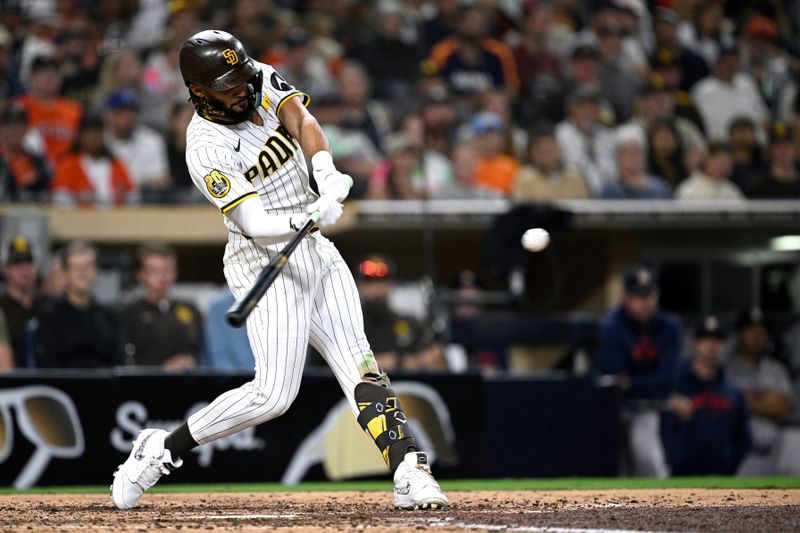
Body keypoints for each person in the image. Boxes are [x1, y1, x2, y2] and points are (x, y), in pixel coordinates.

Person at [111, 30, 447, 512]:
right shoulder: (204, 146)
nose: (243, 90)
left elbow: (301, 117)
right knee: (273, 395)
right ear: (199, 91)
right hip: (261, 258)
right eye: (228, 85)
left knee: (360, 366)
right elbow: (253, 223)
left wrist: (325, 169)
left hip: (312, 247)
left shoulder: (254, 78)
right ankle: (162, 449)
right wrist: (304, 216)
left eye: (243, 78)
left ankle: (409, 468)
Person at [594, 265, 683, 477]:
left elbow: (666, 380)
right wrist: (644, 383)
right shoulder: (610, 326)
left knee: (648, 459)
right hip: (612, 409)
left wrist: (633, 383)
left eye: (649, 295)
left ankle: (659, 509)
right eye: (638, 296)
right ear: (625, 297)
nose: (644, 302)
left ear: (657, 296)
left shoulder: (669, 326)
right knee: (611, 469)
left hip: (649, 408)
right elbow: (615, 381)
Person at [661, 315, 751, 475]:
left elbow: (743, 438)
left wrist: (730, 464)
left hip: (723, 477)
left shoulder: (733, 392)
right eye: (705, 338)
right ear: (695, 343)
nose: (712, 345)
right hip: (680, 477)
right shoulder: (673, 386)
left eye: (717, 339)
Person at [725, 308, 798, 475]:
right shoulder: (726, 371)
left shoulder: (776, 370)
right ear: (739, 334)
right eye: (750, 329)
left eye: (762, 329)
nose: (757, 335)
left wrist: (746, 400)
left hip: (776, 451)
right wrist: (767, 400)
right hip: (742, 454)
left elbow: (784, 409)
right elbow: (727, 407)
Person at [34, 241, 125, 368]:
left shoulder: (109, 316)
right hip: (63, 385)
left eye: (87, 267)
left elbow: (119, 362)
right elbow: (47, 365)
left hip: (104, 385)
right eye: (76, 267)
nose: (82, 273)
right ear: (65, 273)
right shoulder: (50, 316)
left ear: (95, 271)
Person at [119, 243, 201, 370]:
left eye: (168, 269)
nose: (162, 277)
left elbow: (203, 351)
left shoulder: (191, 310)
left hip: (190, 383)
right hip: (147, 384)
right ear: (141, 275)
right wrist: (162, 369)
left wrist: (190, 361)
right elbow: (125, 360)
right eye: (154, 271)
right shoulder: (129, 314)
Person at [50, 112, 137, 207]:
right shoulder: (68, 165)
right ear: (80, 136)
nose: (95, 137)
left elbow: (133, 199)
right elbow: (60, 200)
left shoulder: (117, 164)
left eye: (99, 132)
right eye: (90, 132)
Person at [691, 41, 769, 143]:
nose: (730, 63)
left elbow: (763, 119)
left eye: (734, 59)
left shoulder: (748, 83)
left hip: (752, 148)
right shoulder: (702, 90)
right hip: (718, 150)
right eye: (726, 59)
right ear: (716, 62)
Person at [14, 55, 82, 165]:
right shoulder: (19, 107)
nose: (48, 77)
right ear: (32, 77)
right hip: (31, 170)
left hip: (66, 172)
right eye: (42, 73)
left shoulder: (75, 110)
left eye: (53, 72)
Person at [104, 89, 171, 194]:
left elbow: (159, 180)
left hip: (145, 204)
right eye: (122, 111)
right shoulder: (101, 142)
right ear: (110, 115)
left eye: (132, 110)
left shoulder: (152, 140)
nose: (128, 116)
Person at [555, 85, 616, 196]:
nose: (588, 113)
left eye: (592, 108)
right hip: (575, 198)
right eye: (583, 108)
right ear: (571, 109)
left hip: (608, 200)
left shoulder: (608, 136)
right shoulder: (559, 136)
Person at [0, 235, 49, 369]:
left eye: (29, 262)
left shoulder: (49, 305)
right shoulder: (2, 307)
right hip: (10, 384)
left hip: (49, 381)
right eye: (17, 264)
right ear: (5, 270)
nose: (24, 269)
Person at [511, 122, 589, 201]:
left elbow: (586, 209)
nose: (547, 155)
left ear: (559, 149)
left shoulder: (575, 177)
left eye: (550, 149)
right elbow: (519, 210)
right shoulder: (525, 178)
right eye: (542, 151)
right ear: (532, 153)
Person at [601, 125, 671, 199]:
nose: (632, 158)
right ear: (618, 157)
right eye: (627, 152)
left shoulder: (660, 189)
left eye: (636, 152)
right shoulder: (610, 191)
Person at [0, 104, 51, 201]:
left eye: (20, 125)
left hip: (31, 212)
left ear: (27, 129)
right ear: (2, 129)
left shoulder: (37, 161)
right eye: (10, 125)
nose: (14, 130)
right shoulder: (2, 160)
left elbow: (47, 190)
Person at [471, 112, 519, 196]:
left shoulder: (511, 166)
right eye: (484, 136)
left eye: (493, 135)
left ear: (501, 139)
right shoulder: (469, 165)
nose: (489, 140)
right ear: (475, 139)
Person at [676, 143, 744, 201]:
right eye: (721, 162)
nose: (725, 167)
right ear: (706, 160)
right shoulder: (688, 190)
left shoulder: (731, 190)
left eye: (728, 163)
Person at [748, 122, 800, 198]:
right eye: (778, 146)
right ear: (770, 150)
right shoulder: (759, 185)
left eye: (787, 145)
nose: (783, 150)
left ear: (795, 148)